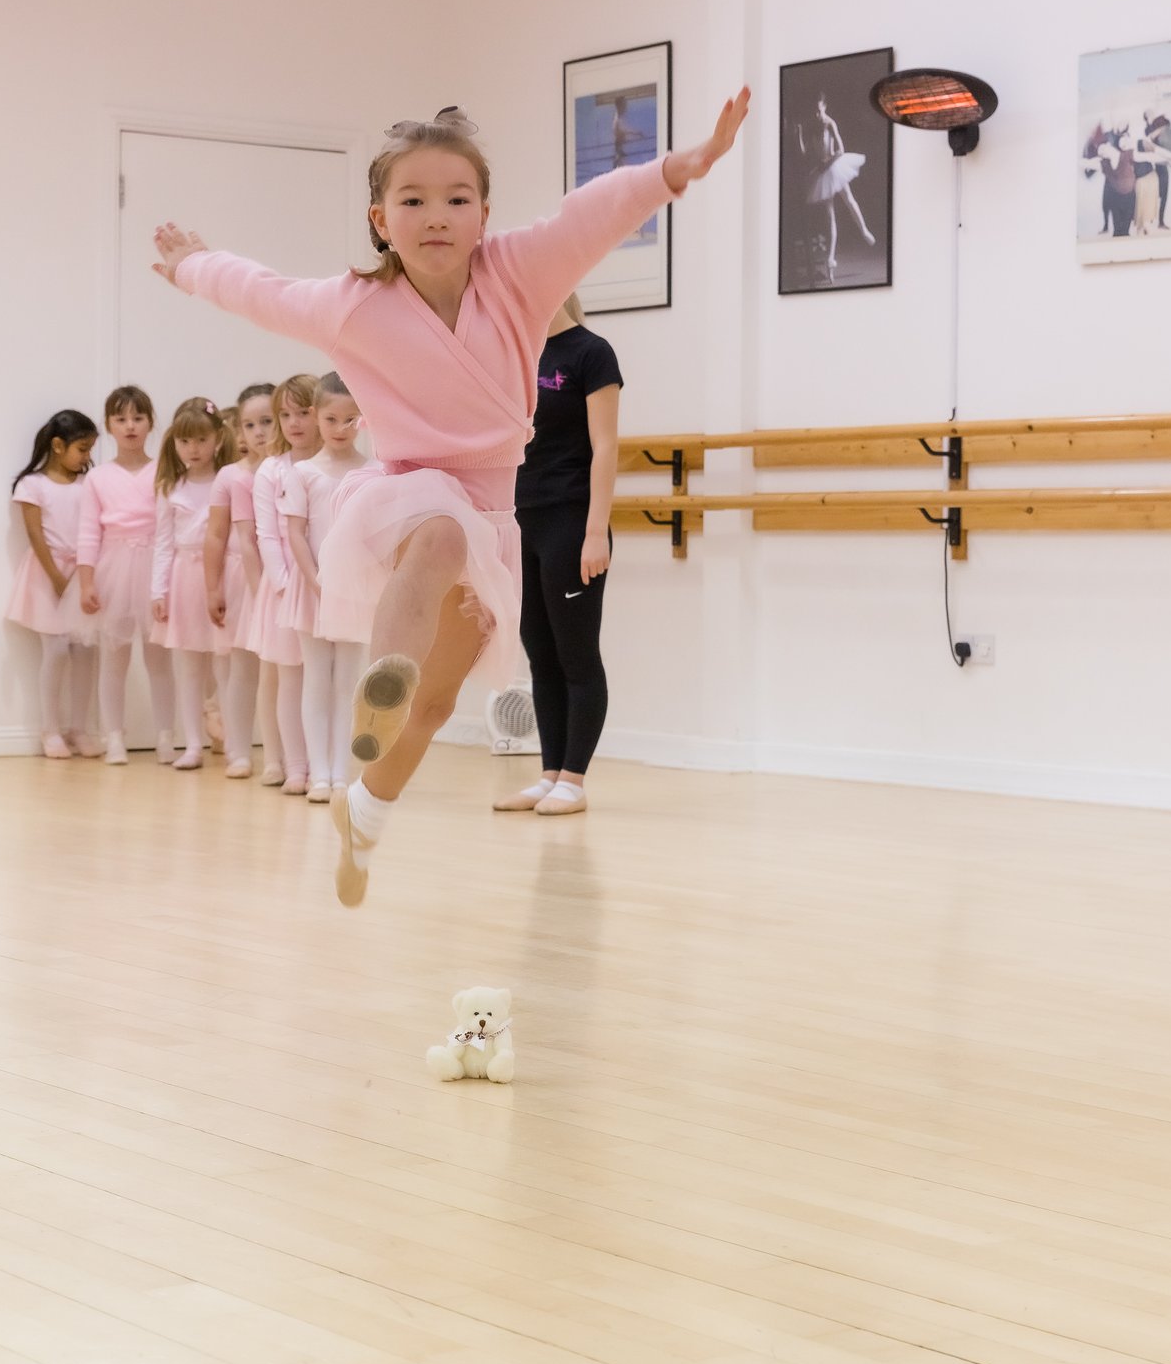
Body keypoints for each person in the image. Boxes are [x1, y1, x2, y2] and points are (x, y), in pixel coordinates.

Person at [153, 88, 749, 904]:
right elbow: (260, 289)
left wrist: (678, 168)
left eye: (456, 199)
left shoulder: (518, 277)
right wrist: (191, 264)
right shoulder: (352, 307)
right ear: (379, 219)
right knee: (434, 534)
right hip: (406, 499)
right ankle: (379, 684)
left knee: (435, 707)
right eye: (413, 200)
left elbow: (591, 215)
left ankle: (364, 817)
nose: (436, 215)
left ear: (484, 214)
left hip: (494, 518)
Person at [497, 292, 620, 817]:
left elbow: (606, 447)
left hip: (572, 520)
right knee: (539, 654)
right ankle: (550, 773)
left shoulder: (592, 353)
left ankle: (575, 777)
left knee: (576, 653)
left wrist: (595, 532)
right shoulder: (516, 357)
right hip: (520, 517)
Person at [281, 373, 376, 804]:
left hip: (357, 591)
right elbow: (296, 534)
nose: (340, 428)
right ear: (317, 418)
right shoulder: (303, 472)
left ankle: (341, 774)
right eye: (332, 418)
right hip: (314, 588)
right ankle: (319, 774)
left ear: (364, 419)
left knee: (347, 684)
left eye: (351, 419)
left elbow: (377, 534)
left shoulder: (374, 472)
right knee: (316, 678)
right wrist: (317, 582)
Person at [75, 385, 176, 764]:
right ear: (108, 426)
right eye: (121, 419)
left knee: (159, 659)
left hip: (155, 566)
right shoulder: (98, 478)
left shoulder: (164, 471)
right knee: (113, 659)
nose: (130, 426)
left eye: (138, 417)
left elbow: (170, 529)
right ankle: (113, 736)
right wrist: (86, 582)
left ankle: (167, 736)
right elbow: (88, 533)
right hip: (113, 569)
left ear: (151, 423)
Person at [6, 408, 102, 760]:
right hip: (47, 575)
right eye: (83, 449)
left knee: (87, 649)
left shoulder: (87, 483)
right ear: (58, 445)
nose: (87, 457)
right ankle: (50, 729)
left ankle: (79, 728)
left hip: (84, 572)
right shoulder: (33, 485)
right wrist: (58, 578)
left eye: (90, 449)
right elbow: (35, 536)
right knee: (57, 650)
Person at [147, 397, 229, 770]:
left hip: (220, 575)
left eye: (200, 440)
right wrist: (158, 591)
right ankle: (192, 744)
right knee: (188, 665)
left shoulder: (226, 481)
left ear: (217, 439)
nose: (192, 450)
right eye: (184, 441)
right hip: (182, 577)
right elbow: (163, 543)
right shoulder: (170, 487)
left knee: (225, 661)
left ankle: (230, 737)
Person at [251, 374, 323, 792]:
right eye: (285, 414)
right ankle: (295, 766)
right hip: (284, 587)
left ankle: (323, 765)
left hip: (322, 582)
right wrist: (282, 583)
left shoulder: (328, 465)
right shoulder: (271, 469)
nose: (294, 422)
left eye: (303, 413)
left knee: (323, 677)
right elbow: (265, 533)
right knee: (290, 679)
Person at [205, 382, 276, 780]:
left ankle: (283, 755)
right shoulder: (231, 476)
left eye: (267, 421)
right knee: (241, 668)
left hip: (285, 578)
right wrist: (213, 587)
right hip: (240, 581)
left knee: (281, 671)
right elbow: (215, 535)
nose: (259, 432)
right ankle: (238, 750)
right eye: (250, 425)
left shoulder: (289, 469)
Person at [798, 92, 875, 282]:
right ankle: (830, 258)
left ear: (825, 107)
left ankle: (864, 229)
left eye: (819, 110)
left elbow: (840, 149)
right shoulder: (812, 127)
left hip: (834, 167)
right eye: (814, 111)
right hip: (822, 172)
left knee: (849, 199)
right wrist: (799, 134)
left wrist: (828, 161)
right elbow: (805, 153)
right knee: (829, 216)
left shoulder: (830, 123)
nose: (817, 114)